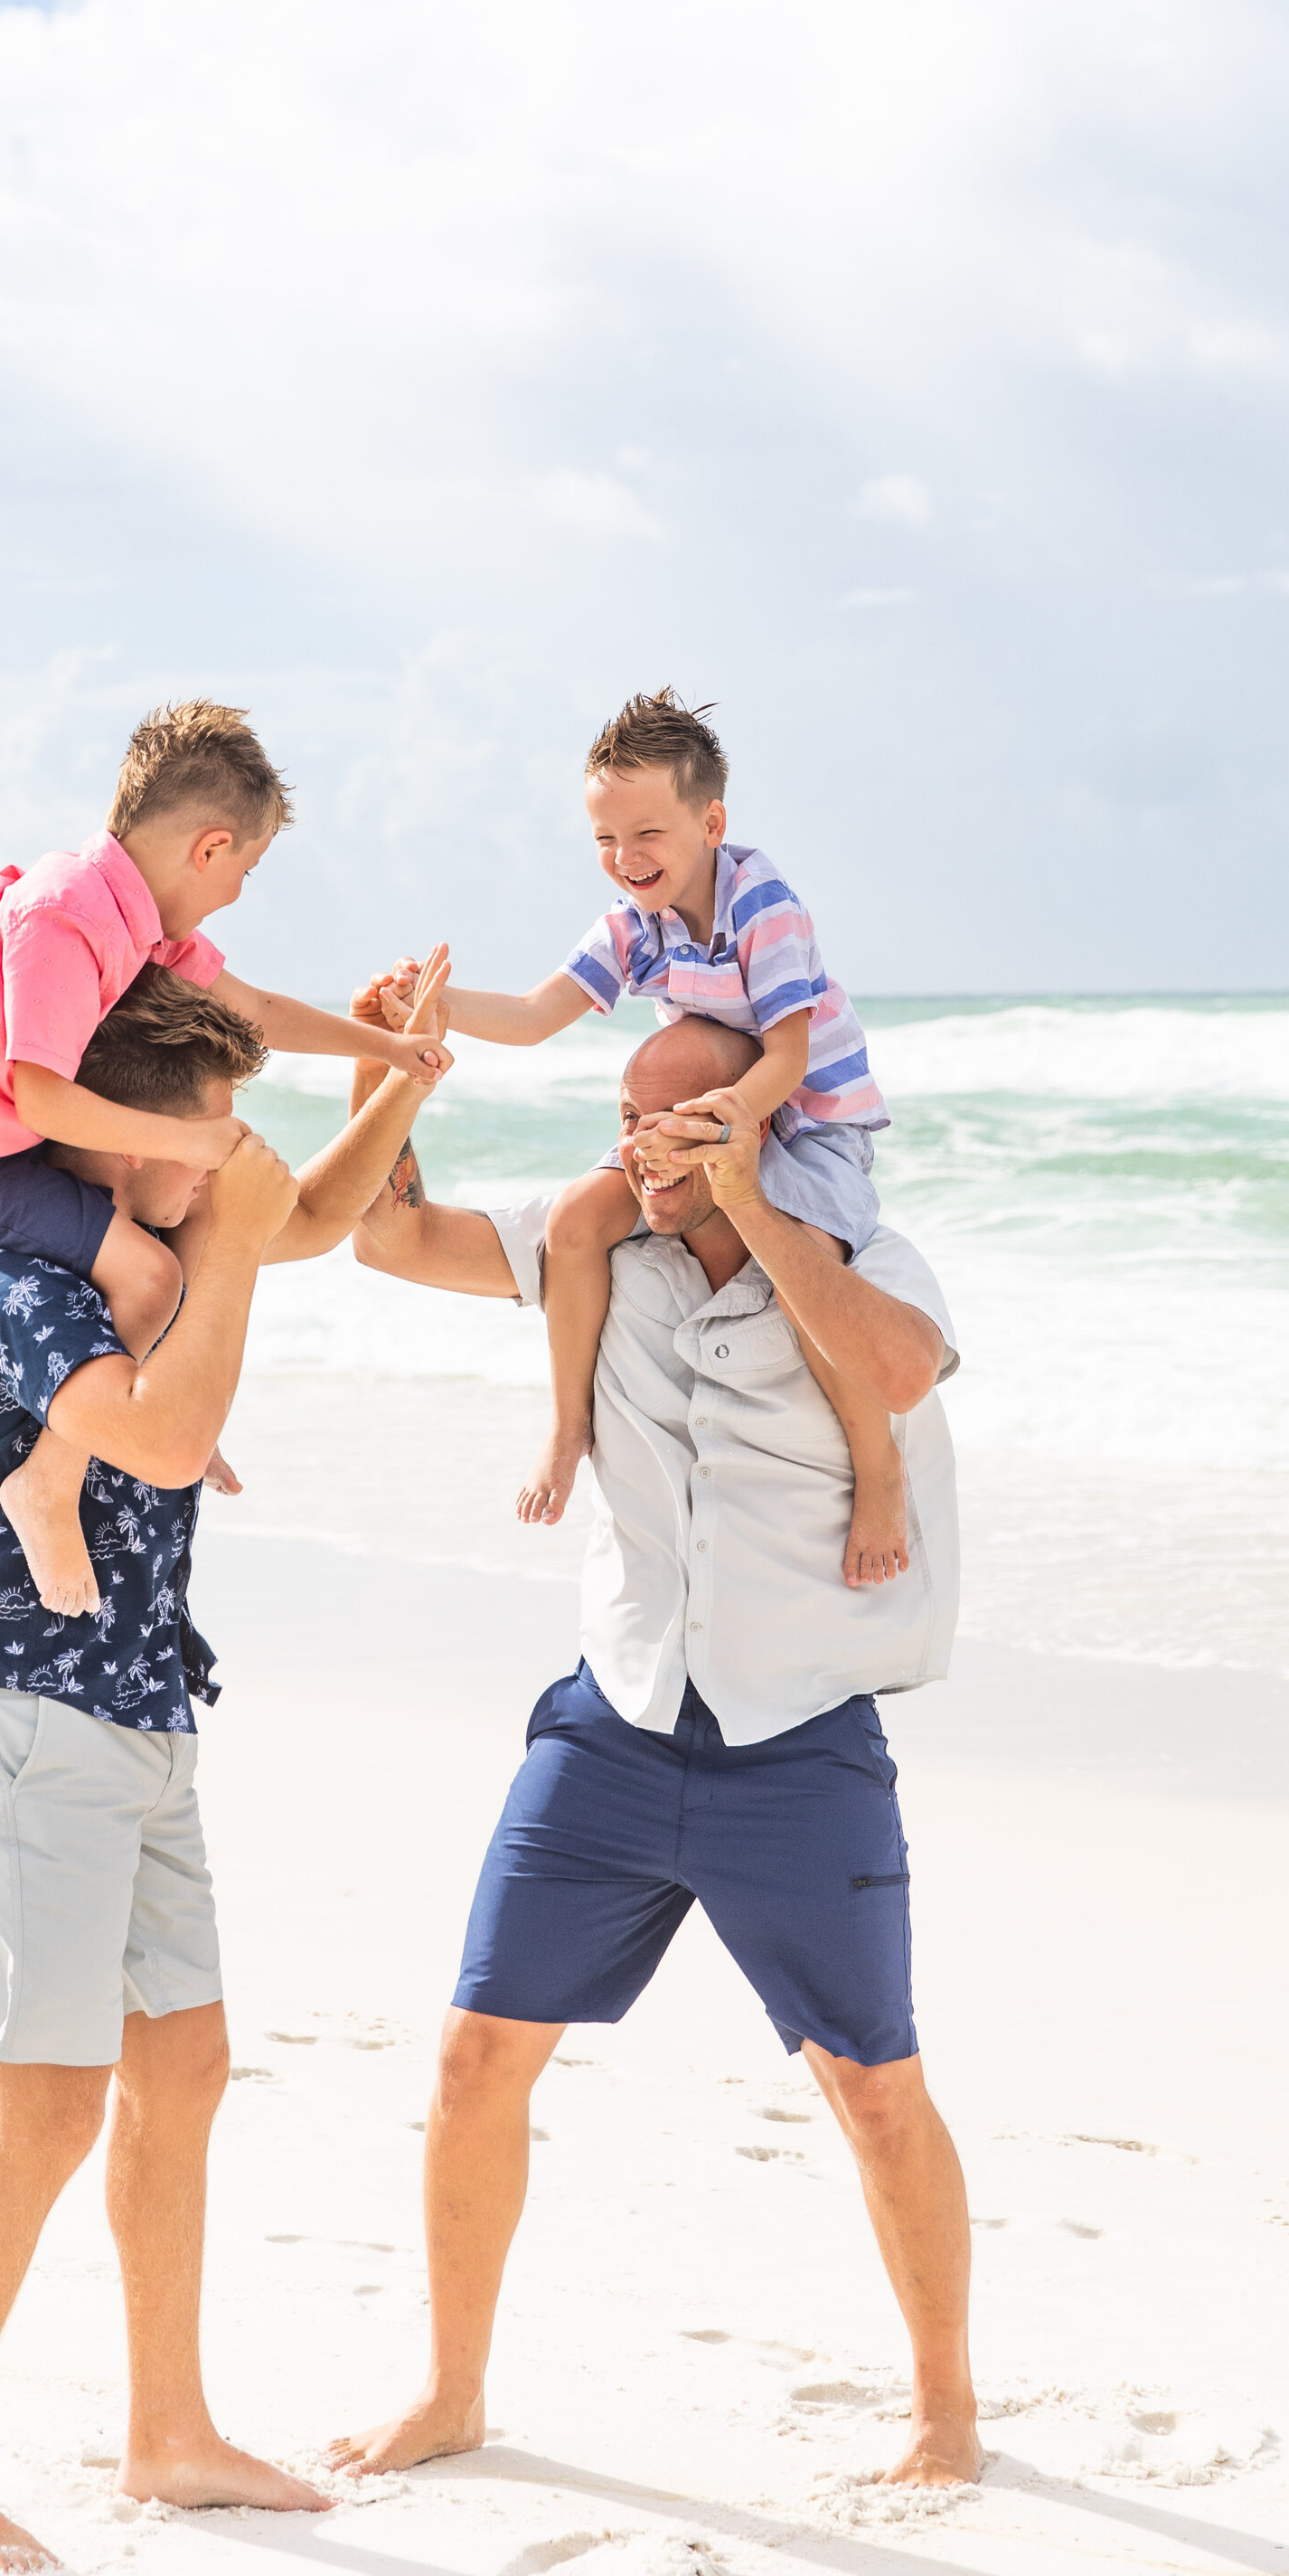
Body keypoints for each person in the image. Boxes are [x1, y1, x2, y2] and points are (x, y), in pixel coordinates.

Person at [327, 986, 980, 2492]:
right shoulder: (593, 1246)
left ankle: (946, 2411)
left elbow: (896, 1371)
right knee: (478, 2053)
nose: (638, 1140)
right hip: (614, 1724)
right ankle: (452, 2390)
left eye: (677, 1112)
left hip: (798, 1741)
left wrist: (752, 1202)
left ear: (756, 1118)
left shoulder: (869, 1260)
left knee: (872, 2082)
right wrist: (395, 1079)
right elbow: (389, 1235)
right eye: (626, 1112)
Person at [0, 958, 449, 2575]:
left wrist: (402, 1071)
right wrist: (238, 1260)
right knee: (44, 2109)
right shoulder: (9, 1280)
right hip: (25, 1715)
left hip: (137, 1712)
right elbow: (170, 1439)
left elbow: (300, 1217)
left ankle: (168, 2435)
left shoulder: (162, 1236)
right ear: (121, 1137)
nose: (223, 1168)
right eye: (208, 1137)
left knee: (180, 2072)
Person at [0, 694, 446, 1612]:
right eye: (248, 870)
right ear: (212, 847)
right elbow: (39, 1093)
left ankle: (150, 1402)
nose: (237, 894)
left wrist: (391, 1052)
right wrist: (192, 1138)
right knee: (150, 1280)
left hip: (17, 1150)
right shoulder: (62, 908)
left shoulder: (140, 925)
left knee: (164, 1269)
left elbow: (256, 1012)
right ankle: (50, 1479)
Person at [439, 690, 903, 1576]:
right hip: (705, 1115)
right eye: (606, 840)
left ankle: (877, 1474)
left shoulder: (762, 906)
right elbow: (538, 1014)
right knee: (576, 1220)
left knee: (806, 1267)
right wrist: (434, 1006)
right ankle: (569, 1427)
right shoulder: (631, 928)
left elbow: (786, 1057)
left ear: (710, 820)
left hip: (807, 1122)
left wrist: (724, 1138)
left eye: (647, 833)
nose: (625, 858)